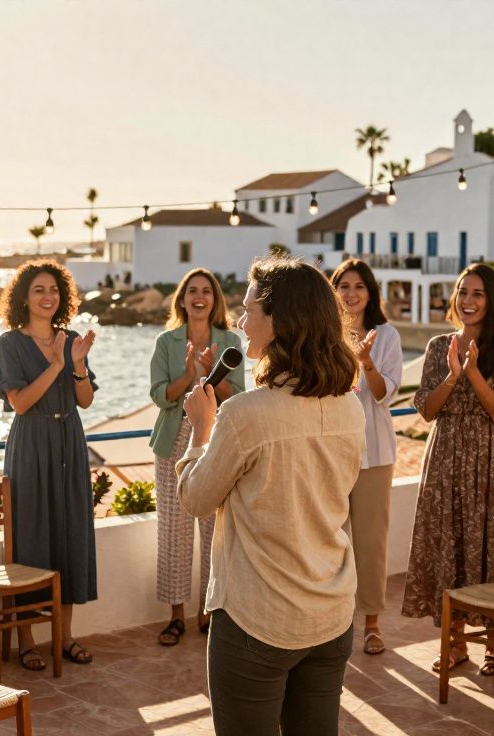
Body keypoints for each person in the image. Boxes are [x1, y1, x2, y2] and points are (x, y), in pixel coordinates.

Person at [177, 257, 364, 736]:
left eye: (248, 309)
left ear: (281, 321)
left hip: (258, 619)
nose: (240, 322)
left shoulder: (245, 414)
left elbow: (197, 498)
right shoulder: (350, 407)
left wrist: (202, 428)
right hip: (330, 612)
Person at [403, 263, 494, 676]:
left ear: (491, 301)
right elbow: (426, 409)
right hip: (446, 456)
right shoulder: (439, 347)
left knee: (493, 549)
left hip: (489, 458)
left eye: (477, 294)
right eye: (462, 292)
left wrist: (473, 371)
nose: (467, 301)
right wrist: (453, 376)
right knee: (449, 545)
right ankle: (454, 645)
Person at [0, 260, 98, 671]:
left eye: (53, 289)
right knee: (30, 536)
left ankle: (65, 636)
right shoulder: (10, 344)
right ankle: (27, 640)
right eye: (38, 290)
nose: (47, 296)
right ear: (24, 297)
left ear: (63, 296)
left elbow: (86, 400)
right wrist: (55, 365)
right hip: (31, 444)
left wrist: (75, 366)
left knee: (70, 534)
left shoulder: (71, 339)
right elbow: (18, 403)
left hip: (69, 441)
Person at [148, 268, 244, 647]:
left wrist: (209, 374)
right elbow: (159, 395)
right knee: (173, 530)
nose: (199, 296)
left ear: (215, 299)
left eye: (206, 290)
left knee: (213, 531)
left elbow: (235, 395)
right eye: (192, 291)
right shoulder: (166, 341)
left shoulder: (230, 340)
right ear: (183, 299)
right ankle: (175, 617)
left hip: (217, 439)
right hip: (174, 440)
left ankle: (208, 612)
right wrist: (188, 375)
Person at [330, 259, 403, 656]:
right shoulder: (324, 334)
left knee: (370, 541)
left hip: (374, 453)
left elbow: (384, 394)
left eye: (359, 286)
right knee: (331, 539)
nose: (351, 293)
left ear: (370, 293)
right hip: (332, 453)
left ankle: (372, 623)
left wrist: (366, 362)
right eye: (344, 285)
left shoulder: (386, 335)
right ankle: (335, 624)